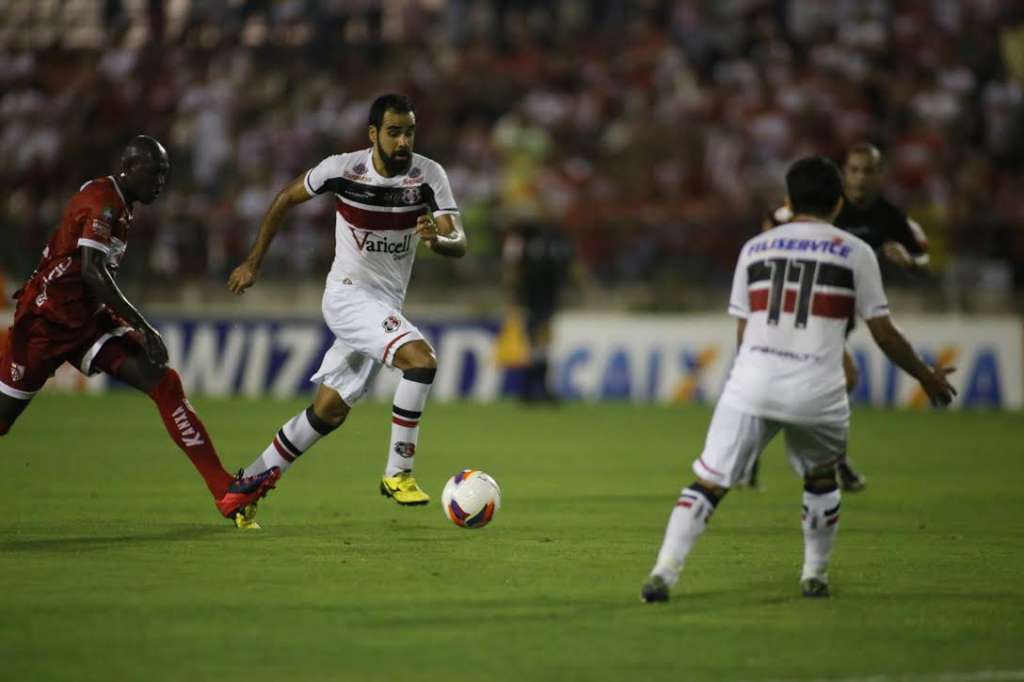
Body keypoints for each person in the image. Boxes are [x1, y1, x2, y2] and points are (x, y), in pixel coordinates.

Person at [640, 156, 955, 602]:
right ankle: (814, 575)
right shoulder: (855, 251)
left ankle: (664, 571)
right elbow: (883, 333)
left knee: (709, 483)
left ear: (789, 199)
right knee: (821, 478)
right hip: (818, 388)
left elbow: (744, 329)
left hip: (753, 383)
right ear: (838, 202)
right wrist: (925, 376)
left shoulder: (755, 248)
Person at [0, 135, 280, 526]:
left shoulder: (118, 202)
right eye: (154, 173)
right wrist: (143, 326)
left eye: (165, 173)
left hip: (88, 322)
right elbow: (93, 272)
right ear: (129, 168)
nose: (160, 182)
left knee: (164, 382)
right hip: (45, 323)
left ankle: (225, 490)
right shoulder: (103, 203)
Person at [227, 94, 466, 525]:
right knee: (422, 361)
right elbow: (284, 198)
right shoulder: (342, 169)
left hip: (384, 304)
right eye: (393, 132)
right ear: (373, 134)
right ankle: (398, 472)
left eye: (409, 132)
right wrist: (253, 263)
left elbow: (459, 240)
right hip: (348, 295)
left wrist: (438, 240)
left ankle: (244, 488)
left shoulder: (429, 175)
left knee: (328, 411)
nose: (403, 141)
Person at [750, 143, 930, 492]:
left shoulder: (889, 216)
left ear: (880, 175)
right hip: (804, 313)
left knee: (825, 384)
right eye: (854, 170)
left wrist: (909, 261)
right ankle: (832, 462)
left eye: (868, 171)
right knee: (843, 378)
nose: (860, 178)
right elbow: (773, 222)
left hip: (838, 315)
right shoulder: (825, 205)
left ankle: (752, 453)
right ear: (845, 173)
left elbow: (924, 257)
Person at [501, 219, 574, 402]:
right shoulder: (527, 239)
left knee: (539, 343)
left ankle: (534, 388)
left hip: (542, 299)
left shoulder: (545, 239)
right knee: (536, 342)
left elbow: (512, 272)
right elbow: (512, 272)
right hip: (532, 299)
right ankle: (532, 388)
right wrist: (512, 298)